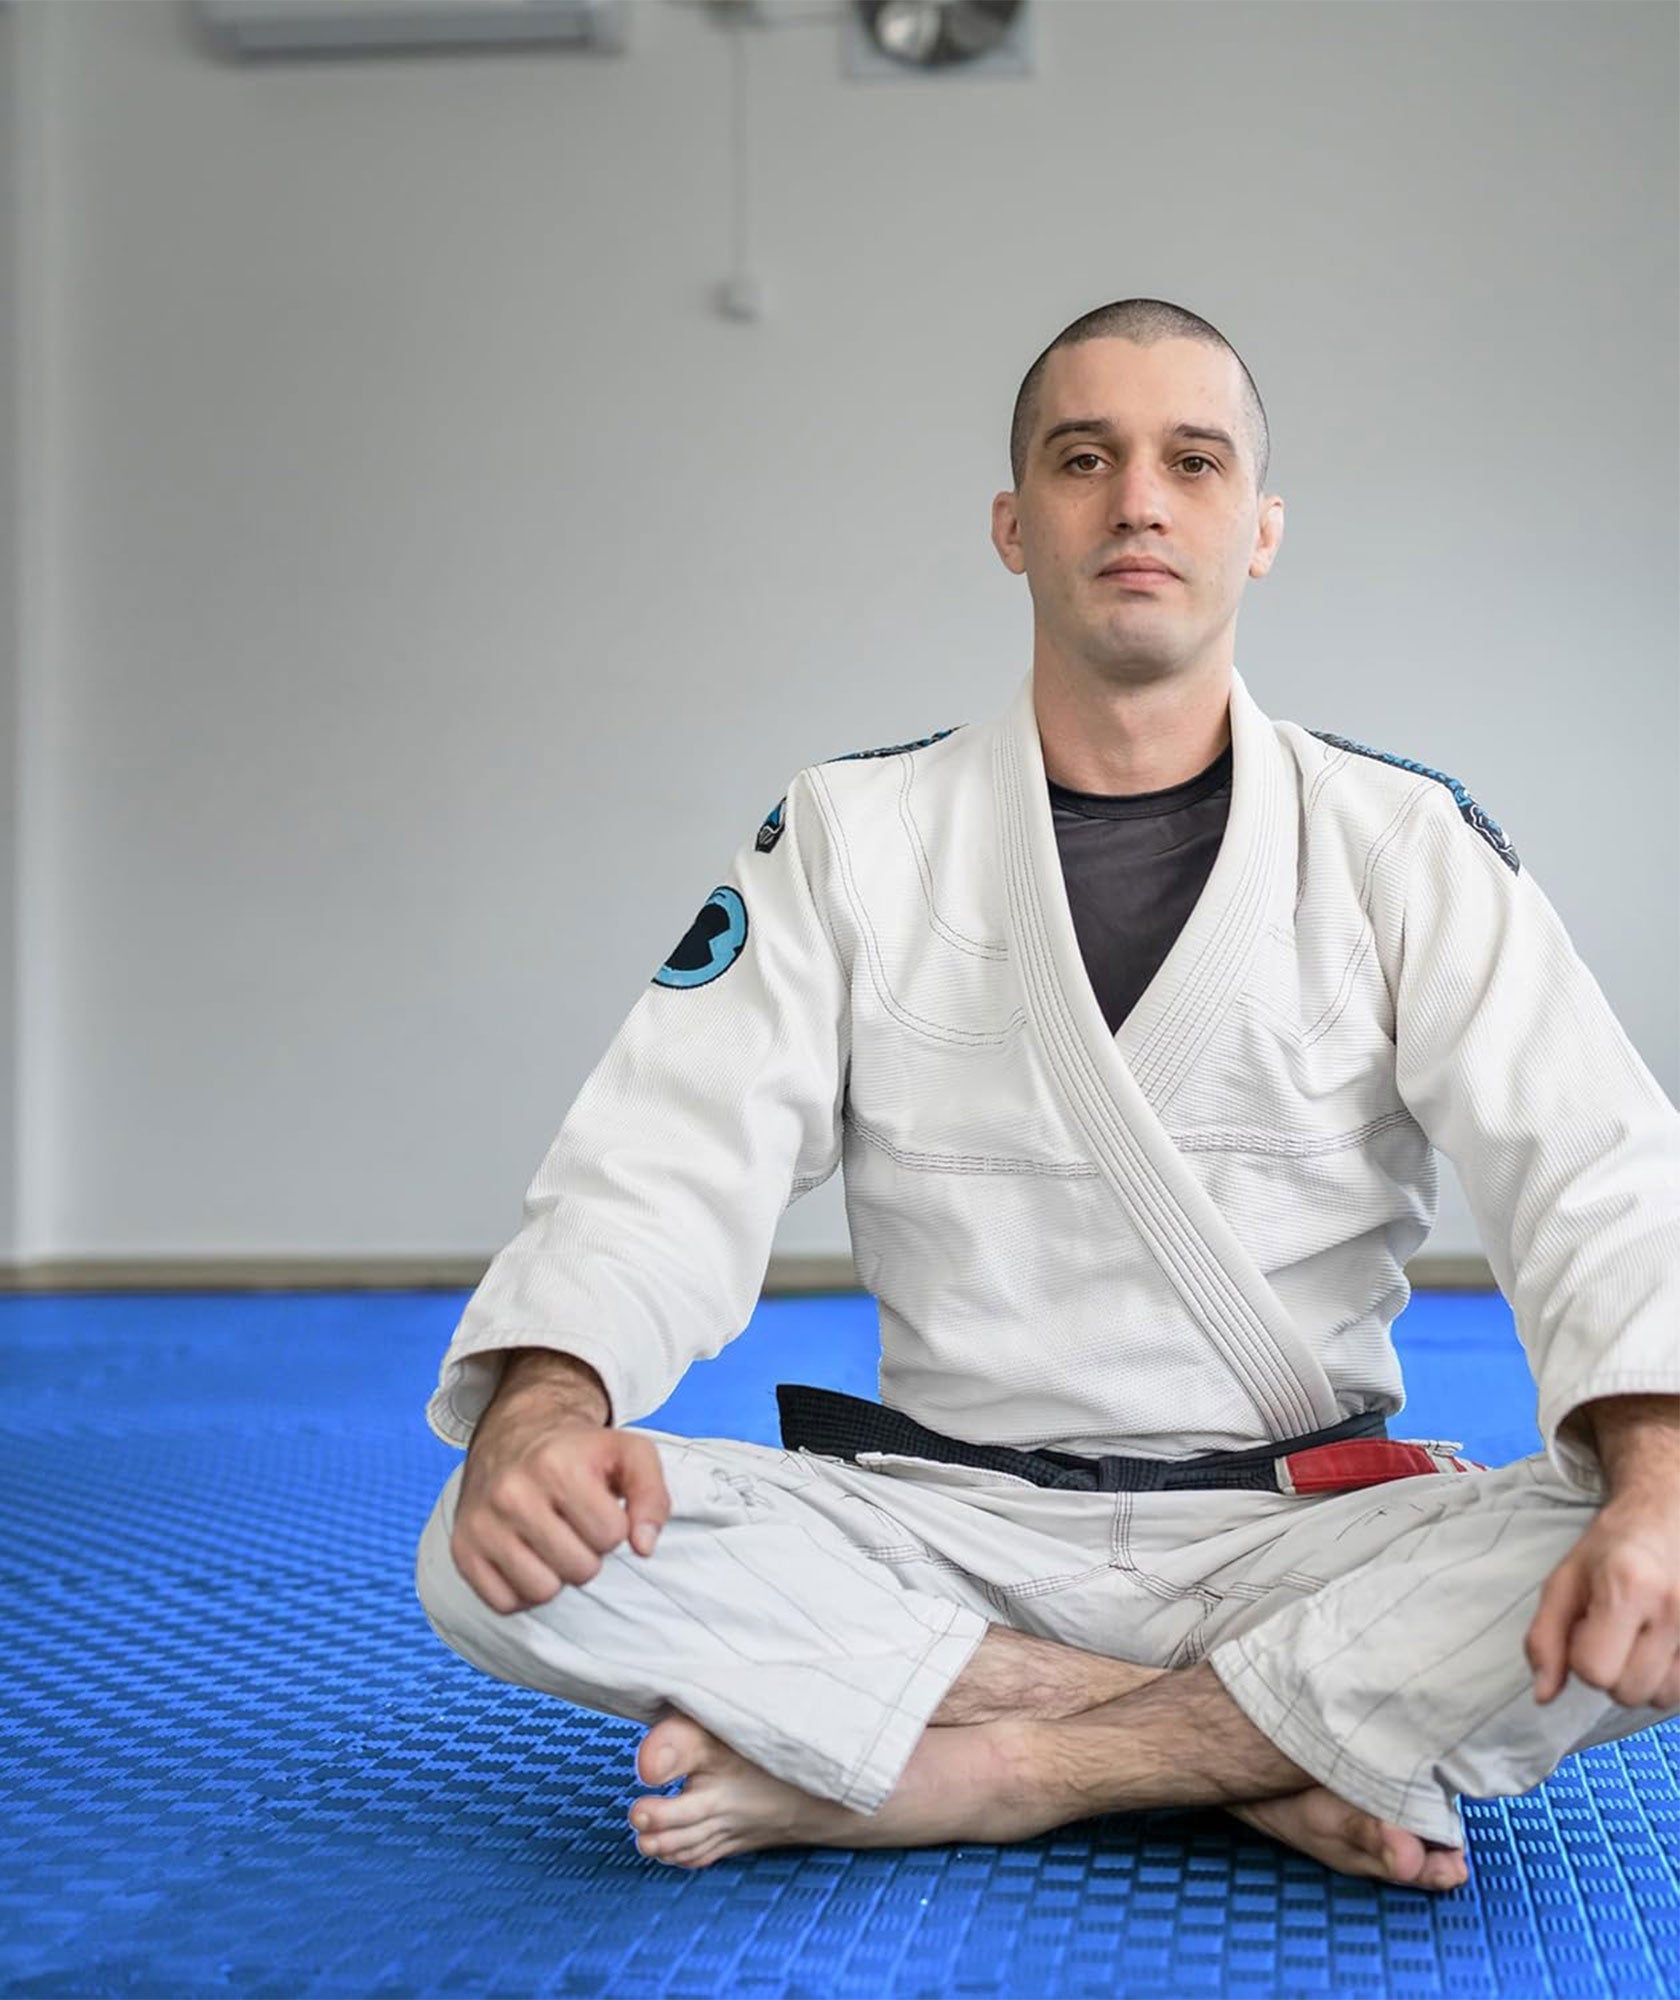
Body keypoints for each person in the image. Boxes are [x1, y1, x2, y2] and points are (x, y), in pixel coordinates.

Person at [414, 298, 1680, 1891]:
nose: (1139, 500)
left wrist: (1658, 1480)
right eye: (1086, 459)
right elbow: (664, 1159)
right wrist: (544, 1411)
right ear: (1016, 525)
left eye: (1193, 462)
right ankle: (1259, 1751)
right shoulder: (854, 834)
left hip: (1307, 1533)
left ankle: (1001, 1764)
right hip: (941, 1534)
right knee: (489, 1549)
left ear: (1261, 529)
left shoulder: (1399, 841)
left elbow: (1597, 1171)